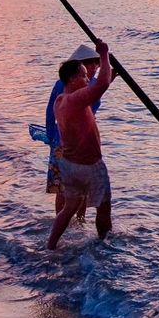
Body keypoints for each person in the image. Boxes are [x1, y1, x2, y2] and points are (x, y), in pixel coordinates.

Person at [47, 39, 114, 248]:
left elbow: (99, 85)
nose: (88, 78)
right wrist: (104, 54)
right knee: (104, 207)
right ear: (72, 79)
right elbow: (101, 85)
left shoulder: (61, 100)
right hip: (89, 165)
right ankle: (104, 245)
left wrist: (108, 74)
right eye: (84, 75)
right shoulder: (76, 99)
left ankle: (50, 245)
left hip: (69, 165)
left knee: (69, 207)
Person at [44, 43, 103, 209]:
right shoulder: (61, 85)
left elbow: (98, 94)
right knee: (61, 186)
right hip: (62, 139)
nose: (94, 67)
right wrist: (50, 136)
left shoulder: (94, 84)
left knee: (82, 185)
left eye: (96, 63)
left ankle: (80, 222)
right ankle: (61, 222)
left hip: (84, 139)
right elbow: (51, 112)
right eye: (89, 63)